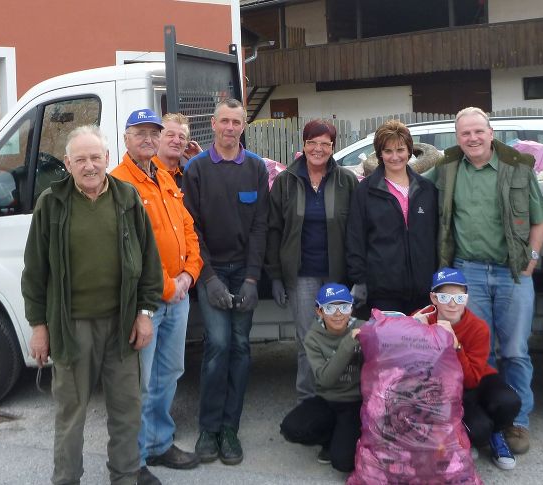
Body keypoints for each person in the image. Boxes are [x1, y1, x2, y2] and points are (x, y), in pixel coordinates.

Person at [22, 125, 163, 485]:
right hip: (71, 327)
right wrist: (39, 327)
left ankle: (126, 476)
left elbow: (149, 263)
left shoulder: (128, 198)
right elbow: (35, 272)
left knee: (126, 410)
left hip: (121, 324)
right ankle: (66, 479)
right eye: (80, 159)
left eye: (95, 157)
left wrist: (145, 314)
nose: (89, 165)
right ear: (67, 163)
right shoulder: (51, 204)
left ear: (107, 159)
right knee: (71, 412)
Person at [424, 107, 543, 454]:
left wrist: (532, 259)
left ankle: (518, 422)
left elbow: (540, 219)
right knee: (479, 351)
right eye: (465, 134)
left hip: (513, 273)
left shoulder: (517, 170)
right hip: (468, 275)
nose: (473, 138)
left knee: (514, 351)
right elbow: (414, 189)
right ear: (457, 138)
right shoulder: (447, 172)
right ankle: (488, 419)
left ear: (491, 133)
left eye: (479, 131)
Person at [110, 109, 203, 480]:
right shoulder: (117, 183)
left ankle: (159, 444)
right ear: (126, 138)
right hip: (145, 303)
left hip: (178, 297)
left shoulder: (164, 176)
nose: (148, 139)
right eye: (140, 133)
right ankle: (133, 461)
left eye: (153, 133)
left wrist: (190, 274)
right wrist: (170, 285)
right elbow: (127, 250)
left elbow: (188, 229)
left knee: (169, 373)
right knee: (139, 384)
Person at [182, 98, 269, 466]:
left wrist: (251, 278)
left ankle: (230, 429)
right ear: (213, 124)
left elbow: (260, 226)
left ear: (243, 126)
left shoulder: (255, 168)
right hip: (211, 270)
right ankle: (209, 428)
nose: (230, 128)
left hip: (242, 271)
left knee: (240, 347)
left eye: (237, 122)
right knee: (217, 346)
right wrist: (209, 278)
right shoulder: (196, 169)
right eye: (225, 122)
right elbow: (191, 229)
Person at [266, 119, 359, 402]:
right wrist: (276, 277)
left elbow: (356, 230)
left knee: (340, 340)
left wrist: (358, 277)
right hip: (302, 274)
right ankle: (309, 400)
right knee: (308, 341)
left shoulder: (346, 181)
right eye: (312, 143)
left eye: (325, 144)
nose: (318, 149)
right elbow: (274, 230)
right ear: (303, 145)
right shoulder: (286, 181)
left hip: (336, 275)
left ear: (333, 147)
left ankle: (340, 399)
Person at [412, 268, 522, 470]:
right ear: (433, 298)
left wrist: (456, 346)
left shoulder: (478, 327)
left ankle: (497, 434)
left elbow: (472, 380)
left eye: (459, 297)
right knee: (479, 430)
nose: (453, 303)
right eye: (444, 297)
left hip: (474, 378)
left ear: (466, 298)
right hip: (443, 388)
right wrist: (414, 329)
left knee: (509, 401)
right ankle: (471, 435)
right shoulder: (422, 319)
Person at [346, 119, 439, 317]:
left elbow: (437, 236)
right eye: (388, 151)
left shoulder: (427, 189)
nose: (395, 157)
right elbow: (355, 238)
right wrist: (359, 279)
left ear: (409, 151)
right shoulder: (365, 191)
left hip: (423, 290)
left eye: (400, 150)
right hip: (383, 291)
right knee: (390, 347)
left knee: (422, 346)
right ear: (380, 154)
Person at [280, 283, 362, 473]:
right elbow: (325, 379)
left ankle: (350, 436)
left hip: (355, 402)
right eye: (330, 308)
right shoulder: (313, 337)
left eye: (344, 307)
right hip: (327, 399)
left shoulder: (363, 328)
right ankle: (330, 437)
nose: (338, 313)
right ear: (319, 311)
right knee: (291, 428)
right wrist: (348, 344)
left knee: (343, 463)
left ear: (351, 308)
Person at [154, 113, 202, 189]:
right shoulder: (147, 173)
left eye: (181, 137)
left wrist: (199, 162)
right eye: (170, 135)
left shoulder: (188, 176)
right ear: (157, 138)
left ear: (187, 143)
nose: (176, 141)